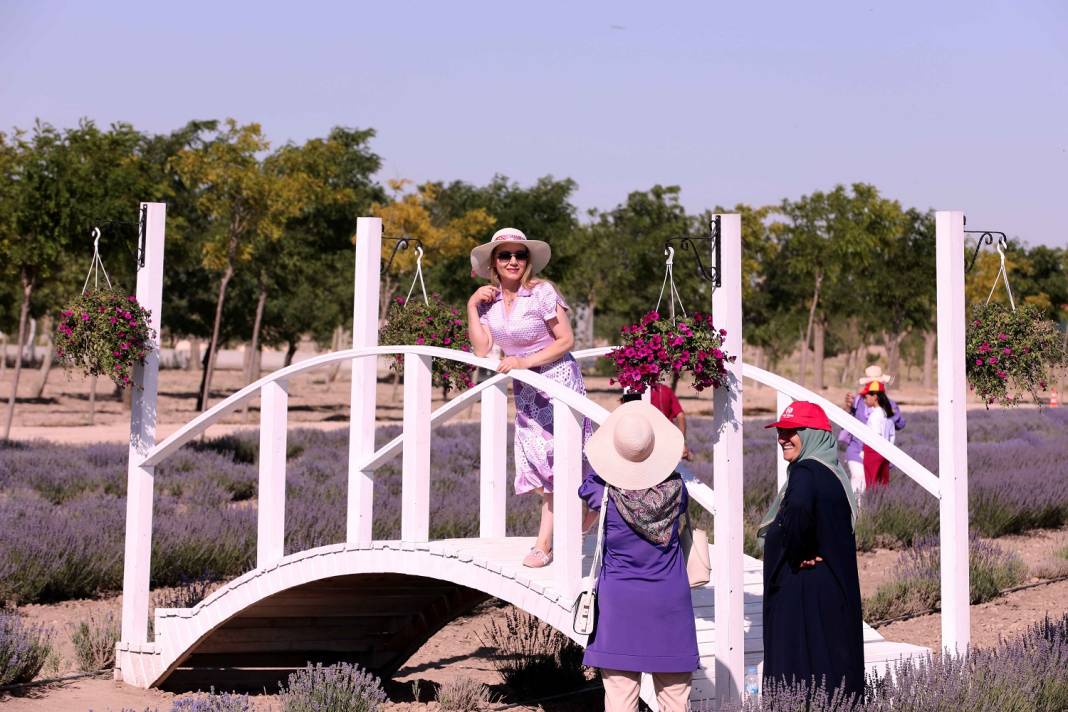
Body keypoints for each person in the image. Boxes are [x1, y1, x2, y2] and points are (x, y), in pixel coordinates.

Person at [467, 227, 593, 568]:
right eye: (505, 255)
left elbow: (565, 340)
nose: (513, 261)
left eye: (519, 255)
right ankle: (589, 508)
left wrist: (524, 361)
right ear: (494, 262)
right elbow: (482, 349)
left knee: (557, 461)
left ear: (528, 260)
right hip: (526, 391)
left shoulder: (541, 292)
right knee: (536, 463)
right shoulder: (489, 302)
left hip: (557, 382)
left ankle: (543, 545)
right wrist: (471, 306)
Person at [579, 401, 699, 712]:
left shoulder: (603, 495)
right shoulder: (677, 491)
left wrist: (610, 466)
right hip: (670, 605)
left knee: (620, 701)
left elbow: (587, 485)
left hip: (620, 606)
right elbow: (672, 478)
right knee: (675, 702)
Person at [758, 401, 864, 701]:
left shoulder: (805, 471)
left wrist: (796, 550)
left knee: (798, 672)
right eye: (780, 431)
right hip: (829, 590)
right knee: (828, 670)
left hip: (804, 590)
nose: (782, 438)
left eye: (791, 431)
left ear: (813, 434)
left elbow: (799, 510)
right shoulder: (833, 473)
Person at [839, 365, 905, 494]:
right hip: (857, 449)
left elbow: (900, 424)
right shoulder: (858, 401)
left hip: (879, 453)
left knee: (876, 485)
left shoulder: (889, 405)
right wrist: (847, 407)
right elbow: (844, 420)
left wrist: (892, 415)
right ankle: (855, 506)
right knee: (859, 478)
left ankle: (872, 506)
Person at [860, 380, 896, 489]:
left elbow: (876, 436)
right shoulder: (886, 414)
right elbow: (892, 436)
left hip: (873, 451)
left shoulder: (875, 415)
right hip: (885, 453)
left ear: (875, 397)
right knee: (883, 485)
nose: (864, 400)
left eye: (866, 397)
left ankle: (872, 501)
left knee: (872, 485)